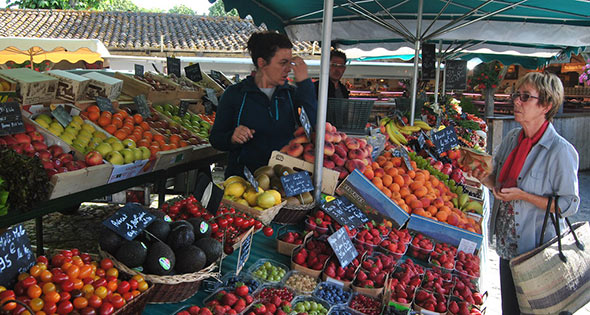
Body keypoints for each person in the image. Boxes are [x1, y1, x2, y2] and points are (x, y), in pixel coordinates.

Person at [470, 72, 579, 314]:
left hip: (536, 252)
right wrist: (480, 175)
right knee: (510, 308)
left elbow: (569, 205)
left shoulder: (560, 151)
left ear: (546, 105)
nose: (516, 102)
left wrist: (524, 196)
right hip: (507, 246)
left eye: (525, 97)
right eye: (517, 95)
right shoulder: (512, 139)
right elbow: (498, 183)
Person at [209, 31, 318, 179]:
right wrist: (232, 137)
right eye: (282, 63)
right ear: (262, 63)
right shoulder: (235, 94)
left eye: (290, 63)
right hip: (244, 182)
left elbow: (313, 127)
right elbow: (216, 139)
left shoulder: (291, 94)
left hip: (285, 180)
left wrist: (305, 84)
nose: (288, 69)